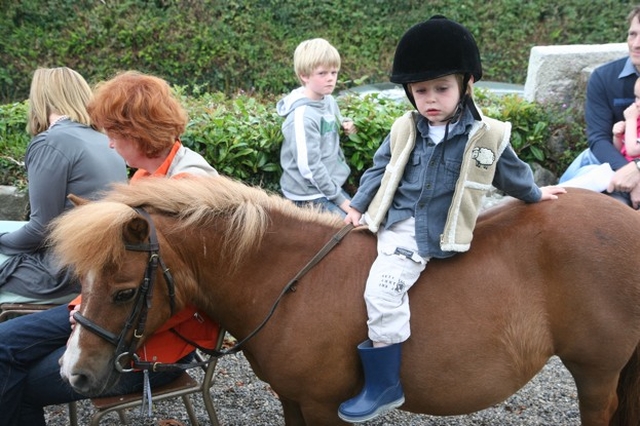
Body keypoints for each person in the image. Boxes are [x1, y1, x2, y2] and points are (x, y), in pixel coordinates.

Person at [338, 16, 566, 423]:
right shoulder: (404, 128)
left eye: (441, 89)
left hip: (430, 232)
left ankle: (385, 385)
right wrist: (357, 206)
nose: (430, 99)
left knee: (382, 294)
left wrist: (535, 193)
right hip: (391, 219)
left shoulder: (487, 135)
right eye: (420, 90)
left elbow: (509, 171)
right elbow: (379, 170)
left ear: (465, 85)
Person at [0, 71, 220, 426]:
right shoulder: (146, 178)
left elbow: (192, 292)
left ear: (138, 132)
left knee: (17, 381)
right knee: (3, 342)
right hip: (112, 311)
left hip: (159, 341)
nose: (110, 144)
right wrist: (79, 309)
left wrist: (88, 323)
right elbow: (110, 270)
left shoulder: (189, 189)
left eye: (114, 134)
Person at [0, 67, 128, 305]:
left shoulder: (50, 143)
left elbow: (41, 229)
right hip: (102, 264)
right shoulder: (105, 140)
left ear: (41, 99)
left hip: (64, 271)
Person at [559, 6, 640, 207]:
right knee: (570, 201)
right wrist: (630, 174)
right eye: (632, 34)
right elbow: (599, 138)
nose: (636, 44)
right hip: (611, 163)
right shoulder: (604, 78)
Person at [277, 37, 356, 218]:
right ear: (304, 76)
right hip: (307, 195)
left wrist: (345, 123)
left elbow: (332, 120)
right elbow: (310, 168)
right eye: (322, 73)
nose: (330, 79)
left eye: (334, 72)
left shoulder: (328, 100)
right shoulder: (301, 117)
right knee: (352, 233)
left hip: (329, 187)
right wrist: (341, 201)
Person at [612, 76, 640, 160]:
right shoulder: (637, 118)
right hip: (620, 164)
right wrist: (617, 136)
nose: (637, 103)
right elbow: (620, 150)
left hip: (633, 171)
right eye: (637, 97)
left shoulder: (633, 119)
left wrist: (631, 120)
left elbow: (632, 151)